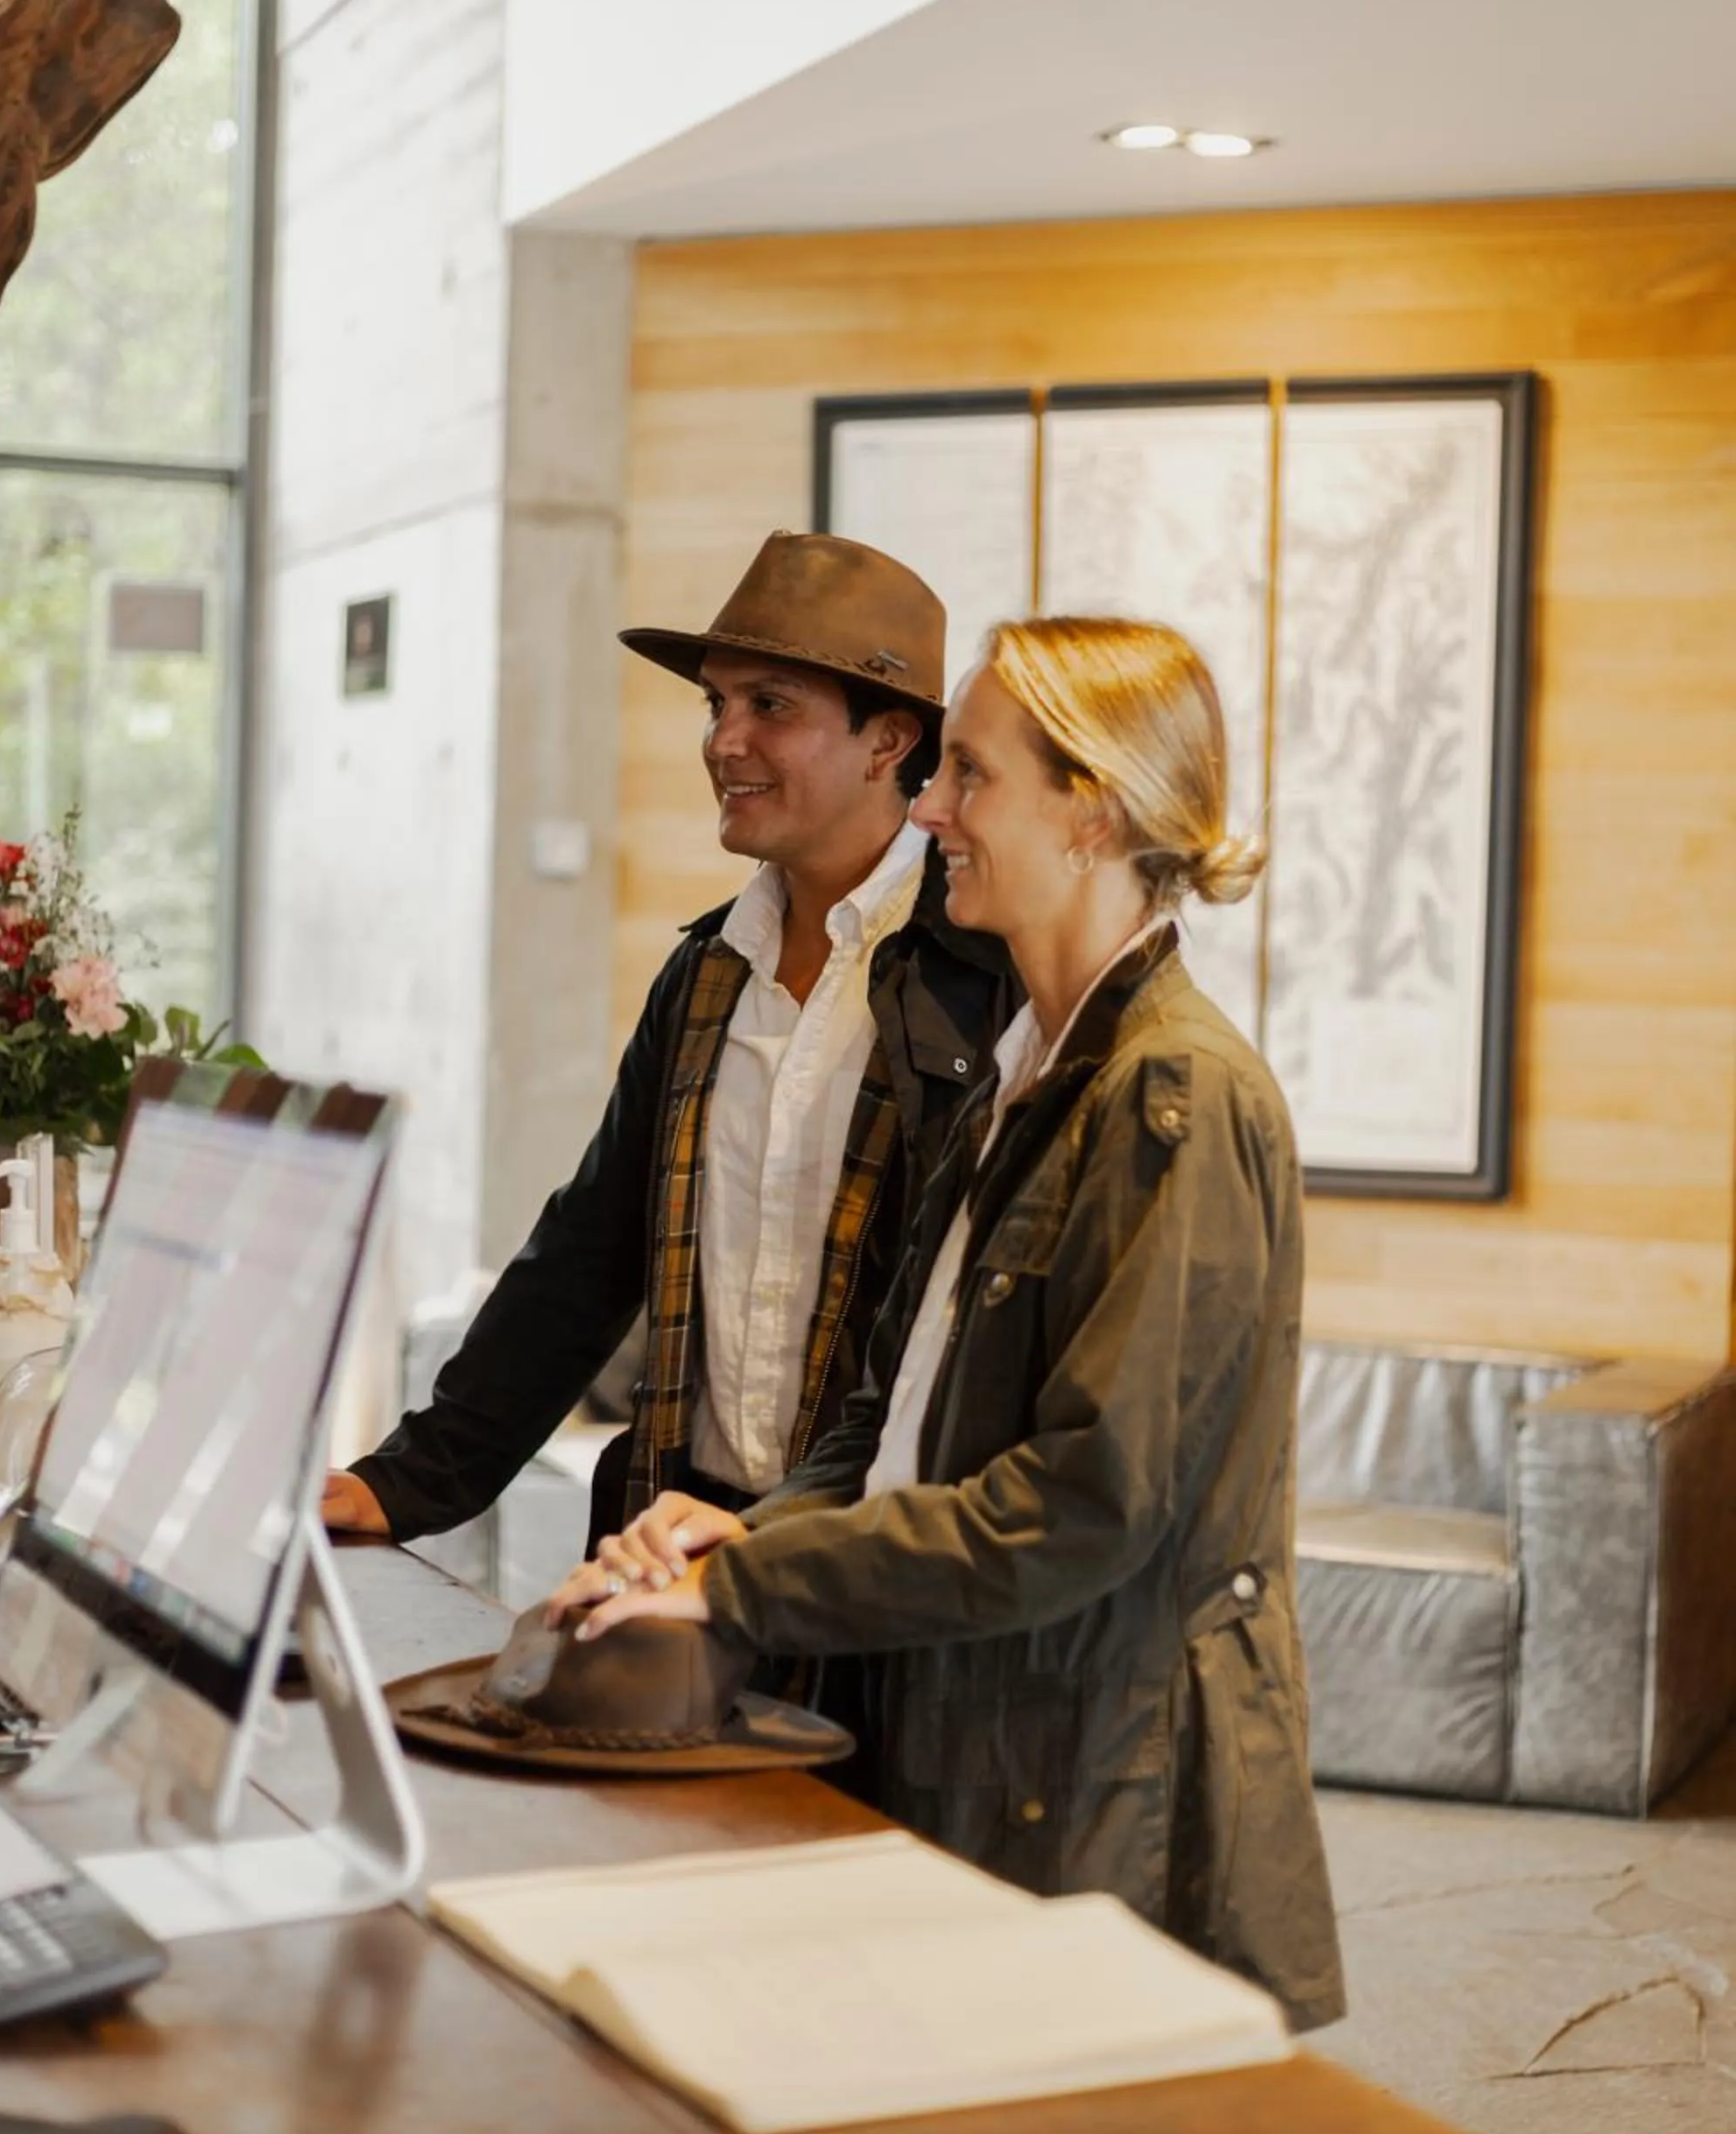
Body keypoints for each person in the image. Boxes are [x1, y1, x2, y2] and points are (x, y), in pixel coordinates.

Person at [551, 614, 1345, 2031]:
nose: (929, 811)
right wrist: (739, 1530)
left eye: (969, 776)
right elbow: (895, 1415)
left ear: (1090, 811)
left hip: (1105, 1802)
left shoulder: (1178, 1104)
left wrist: (737, 1592)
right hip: (984, 1744)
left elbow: (1076, 1509)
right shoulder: (1019, 1080)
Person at [322, 530, 1017, 1553]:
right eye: (715, 704)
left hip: (868, 1580)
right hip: (670, 1543)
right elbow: (587, 1256)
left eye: (769, 706)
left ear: (889, 742)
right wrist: (407, 1481)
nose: (723, 740)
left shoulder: (986, 984)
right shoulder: (704, 975)